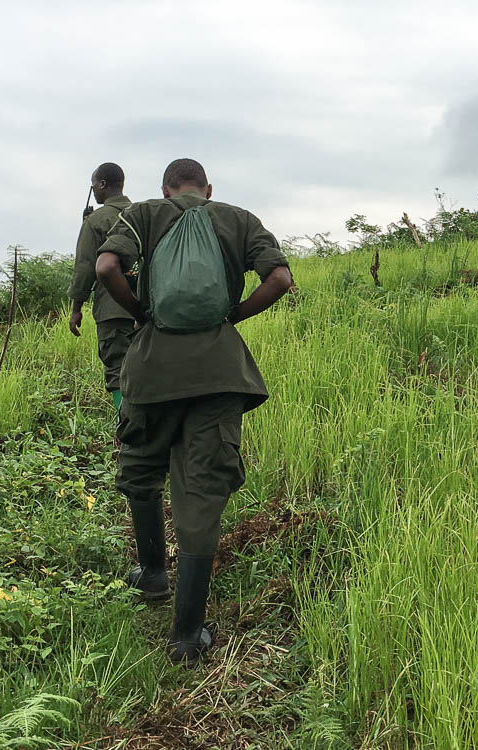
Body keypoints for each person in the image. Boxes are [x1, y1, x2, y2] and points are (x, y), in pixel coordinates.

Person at [94, 158, 293, 665]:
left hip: (152, 369)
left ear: (165, 188)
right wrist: (235, 314)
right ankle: (187, 635)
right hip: (220, 373)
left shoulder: (143, 214)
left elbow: (106, 267)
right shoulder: (238, 219)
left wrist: (141, 313)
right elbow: (279, 278)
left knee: (141, 468)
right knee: (202, 490)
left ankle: (154, 574)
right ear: (208, 189)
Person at [66, 162, 135, 413]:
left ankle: (126, 429)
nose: (93, 190)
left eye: (94, 185)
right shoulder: (144, 214)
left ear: (102, 184)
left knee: (118, 371)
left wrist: (76, 308)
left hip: (113, 309)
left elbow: (85, 266)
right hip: (149, 309)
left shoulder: (96, 220)